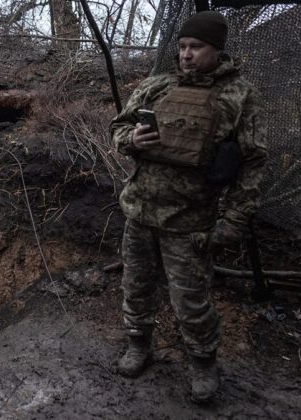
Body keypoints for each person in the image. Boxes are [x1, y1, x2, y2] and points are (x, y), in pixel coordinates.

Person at [110, 11, 267, 402]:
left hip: (191, 221)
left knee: (191, 300)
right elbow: (118, 127)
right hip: (140, 211)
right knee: (136, 287)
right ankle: (138, 345)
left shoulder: (239, 95)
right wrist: (132, 139)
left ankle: (202, 363)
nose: (186, 55)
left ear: (216, 49)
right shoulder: (156, 85)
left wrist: (232, 220)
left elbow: (252, 163)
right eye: (181, 47)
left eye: (195, 47)